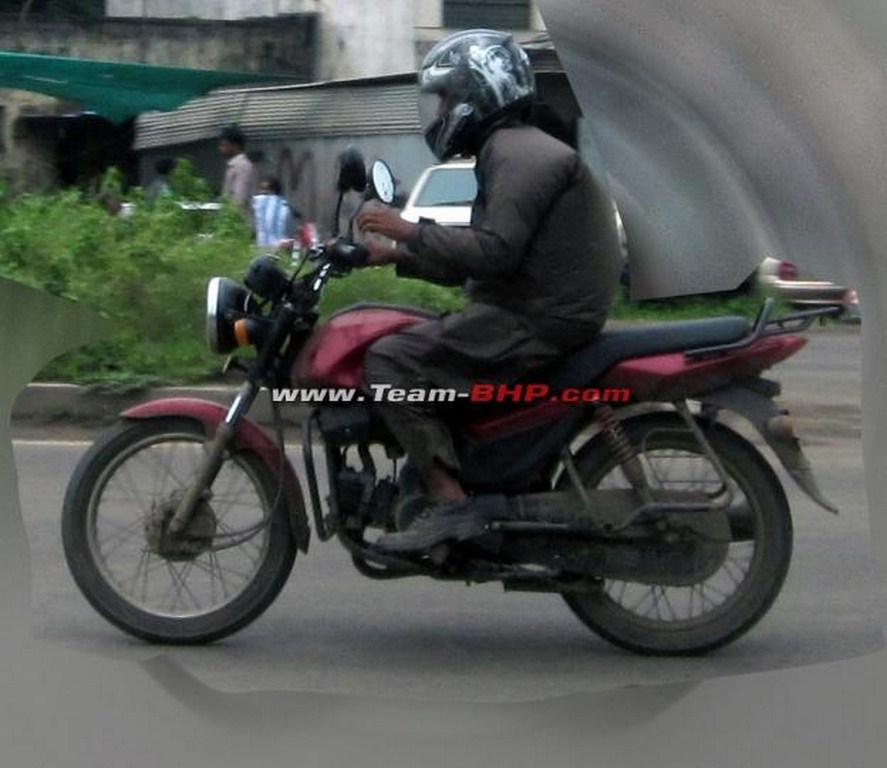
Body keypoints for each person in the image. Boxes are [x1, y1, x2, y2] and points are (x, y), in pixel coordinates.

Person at [356, 29, 623, 552]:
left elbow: (494, 251)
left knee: (389, 360)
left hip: (536, 320)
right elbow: (478, 265)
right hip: (533, 308)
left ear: (479, 92)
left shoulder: (518, 154)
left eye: (447, 98)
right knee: (419, 335)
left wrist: (407, 230)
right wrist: (396, 256)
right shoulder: (510, 150)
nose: (441, 111)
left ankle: (450, 503)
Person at [217, 124, 256, 217]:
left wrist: (229, 219)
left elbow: (239, 199)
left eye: (224, 145)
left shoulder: (242, 166)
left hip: (237, 222)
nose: (220, 148)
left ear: (234, 145)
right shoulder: (234, 165)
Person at [252, 175, 295, 249]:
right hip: (280, 248)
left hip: (265, 248)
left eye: (264, 192)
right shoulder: (286, 208)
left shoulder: (260, 203)